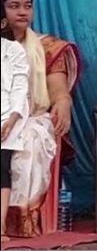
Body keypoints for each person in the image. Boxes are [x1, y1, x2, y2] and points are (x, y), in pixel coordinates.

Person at [0, 0, 79, 238]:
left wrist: (63, 103)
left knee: (30, 140)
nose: (22, 12)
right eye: (14, 6)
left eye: (27, 6)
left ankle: (18, 221)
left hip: (32, 117)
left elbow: (57, 90)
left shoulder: (46, 47)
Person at [2, 22, 31, 244]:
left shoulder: (13, 50)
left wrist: (11, 120)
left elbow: (20, 88)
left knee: (2, 166)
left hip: (7, 118)